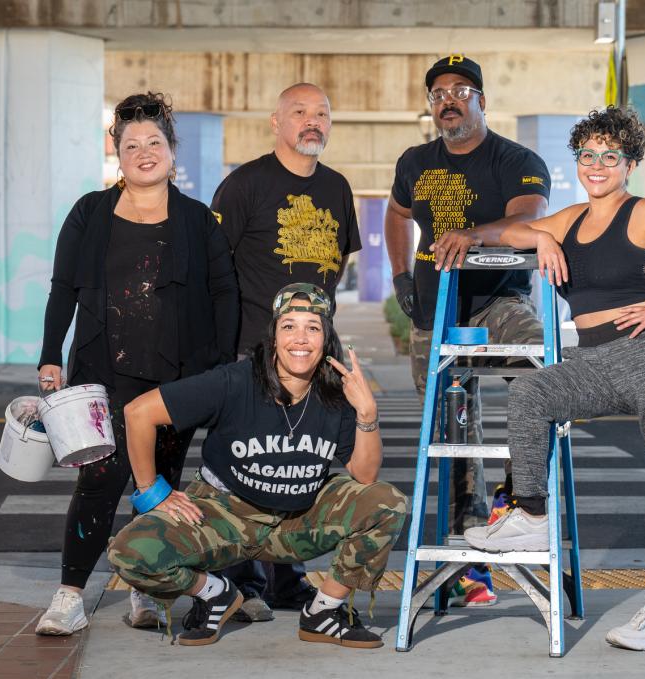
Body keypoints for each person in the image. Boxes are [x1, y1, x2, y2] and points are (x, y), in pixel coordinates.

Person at [433, 106, 645, 651]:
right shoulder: (568, 221)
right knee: (531, 394)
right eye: (587, 155)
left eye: (609, 157)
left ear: (629, 164)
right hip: (596, 361)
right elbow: (509, 230)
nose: (596, 165)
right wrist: (523, 237)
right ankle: (532, 513)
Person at [35, 92, 239, 635]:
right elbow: (62, 288)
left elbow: (225, 295)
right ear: (118, 155)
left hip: (177, 377)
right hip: (105, 372)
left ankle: (145, 590)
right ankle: (70, 597)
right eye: (132, 145)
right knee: (101, 479)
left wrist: (217, 372)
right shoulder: (90, 213)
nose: (144, 152)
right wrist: (50, 356)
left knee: (161, 487)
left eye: (154, 142)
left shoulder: (200, 221)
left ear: (172, 151)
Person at [107, 284, 407, 649]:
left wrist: (367, 413)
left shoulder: (333, 392)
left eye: (313, 327)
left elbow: (364, 475)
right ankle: (215, 594)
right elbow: (138, 413)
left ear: (327, 338)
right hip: (221, 517)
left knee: (386, 502)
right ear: (274, 335)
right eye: (289, 326)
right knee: (130, 552)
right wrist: (152, 492)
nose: (301, 338)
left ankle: (324, 611)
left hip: (295, 522)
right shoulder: (235, 381)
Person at [384, 54, 551, 605]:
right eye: (438, 94)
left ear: (482, 100)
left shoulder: (515, 158)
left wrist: (474, 235)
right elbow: (396, 214)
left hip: (497, 304)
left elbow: (529, 223)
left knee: (538, 364)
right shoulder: (414, 160)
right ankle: (467, 572)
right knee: (452, 438)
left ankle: (517, 494)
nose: (448, 101)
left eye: (460, 91)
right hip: (436, 316)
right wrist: (402, 273)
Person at [207, 82, 362, 621]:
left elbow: (336, 269)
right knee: (241, 467)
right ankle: (241, 577)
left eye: (321, 112)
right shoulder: (244, 184)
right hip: (250, 352)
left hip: (310, 356)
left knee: (299, 464)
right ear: (276, 122)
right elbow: (215, 269)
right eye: (299, 112)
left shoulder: (338, 187)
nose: (311, 121)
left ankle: (285, 574)